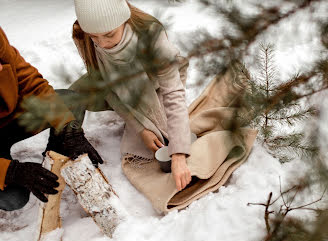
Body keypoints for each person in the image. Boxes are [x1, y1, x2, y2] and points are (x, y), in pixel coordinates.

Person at [71, 0, 192, 192]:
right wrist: (140, 128)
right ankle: (70, 143)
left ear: (124, 20)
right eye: (94, 37)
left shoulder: (151, 35)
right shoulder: (84, 34)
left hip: (155, 85)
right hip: (118, 84)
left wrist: (178, 155)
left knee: (163, 132)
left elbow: (173, 92)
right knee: (70, 96)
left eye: (109, 34)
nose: (102, 43)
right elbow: (106, 87)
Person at [0, 27, 103, 211]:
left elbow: (33, 83)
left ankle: (55, 160)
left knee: (70, 102)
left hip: (9, 121)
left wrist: (69, 131)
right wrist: (11, 172)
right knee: (14, 199)